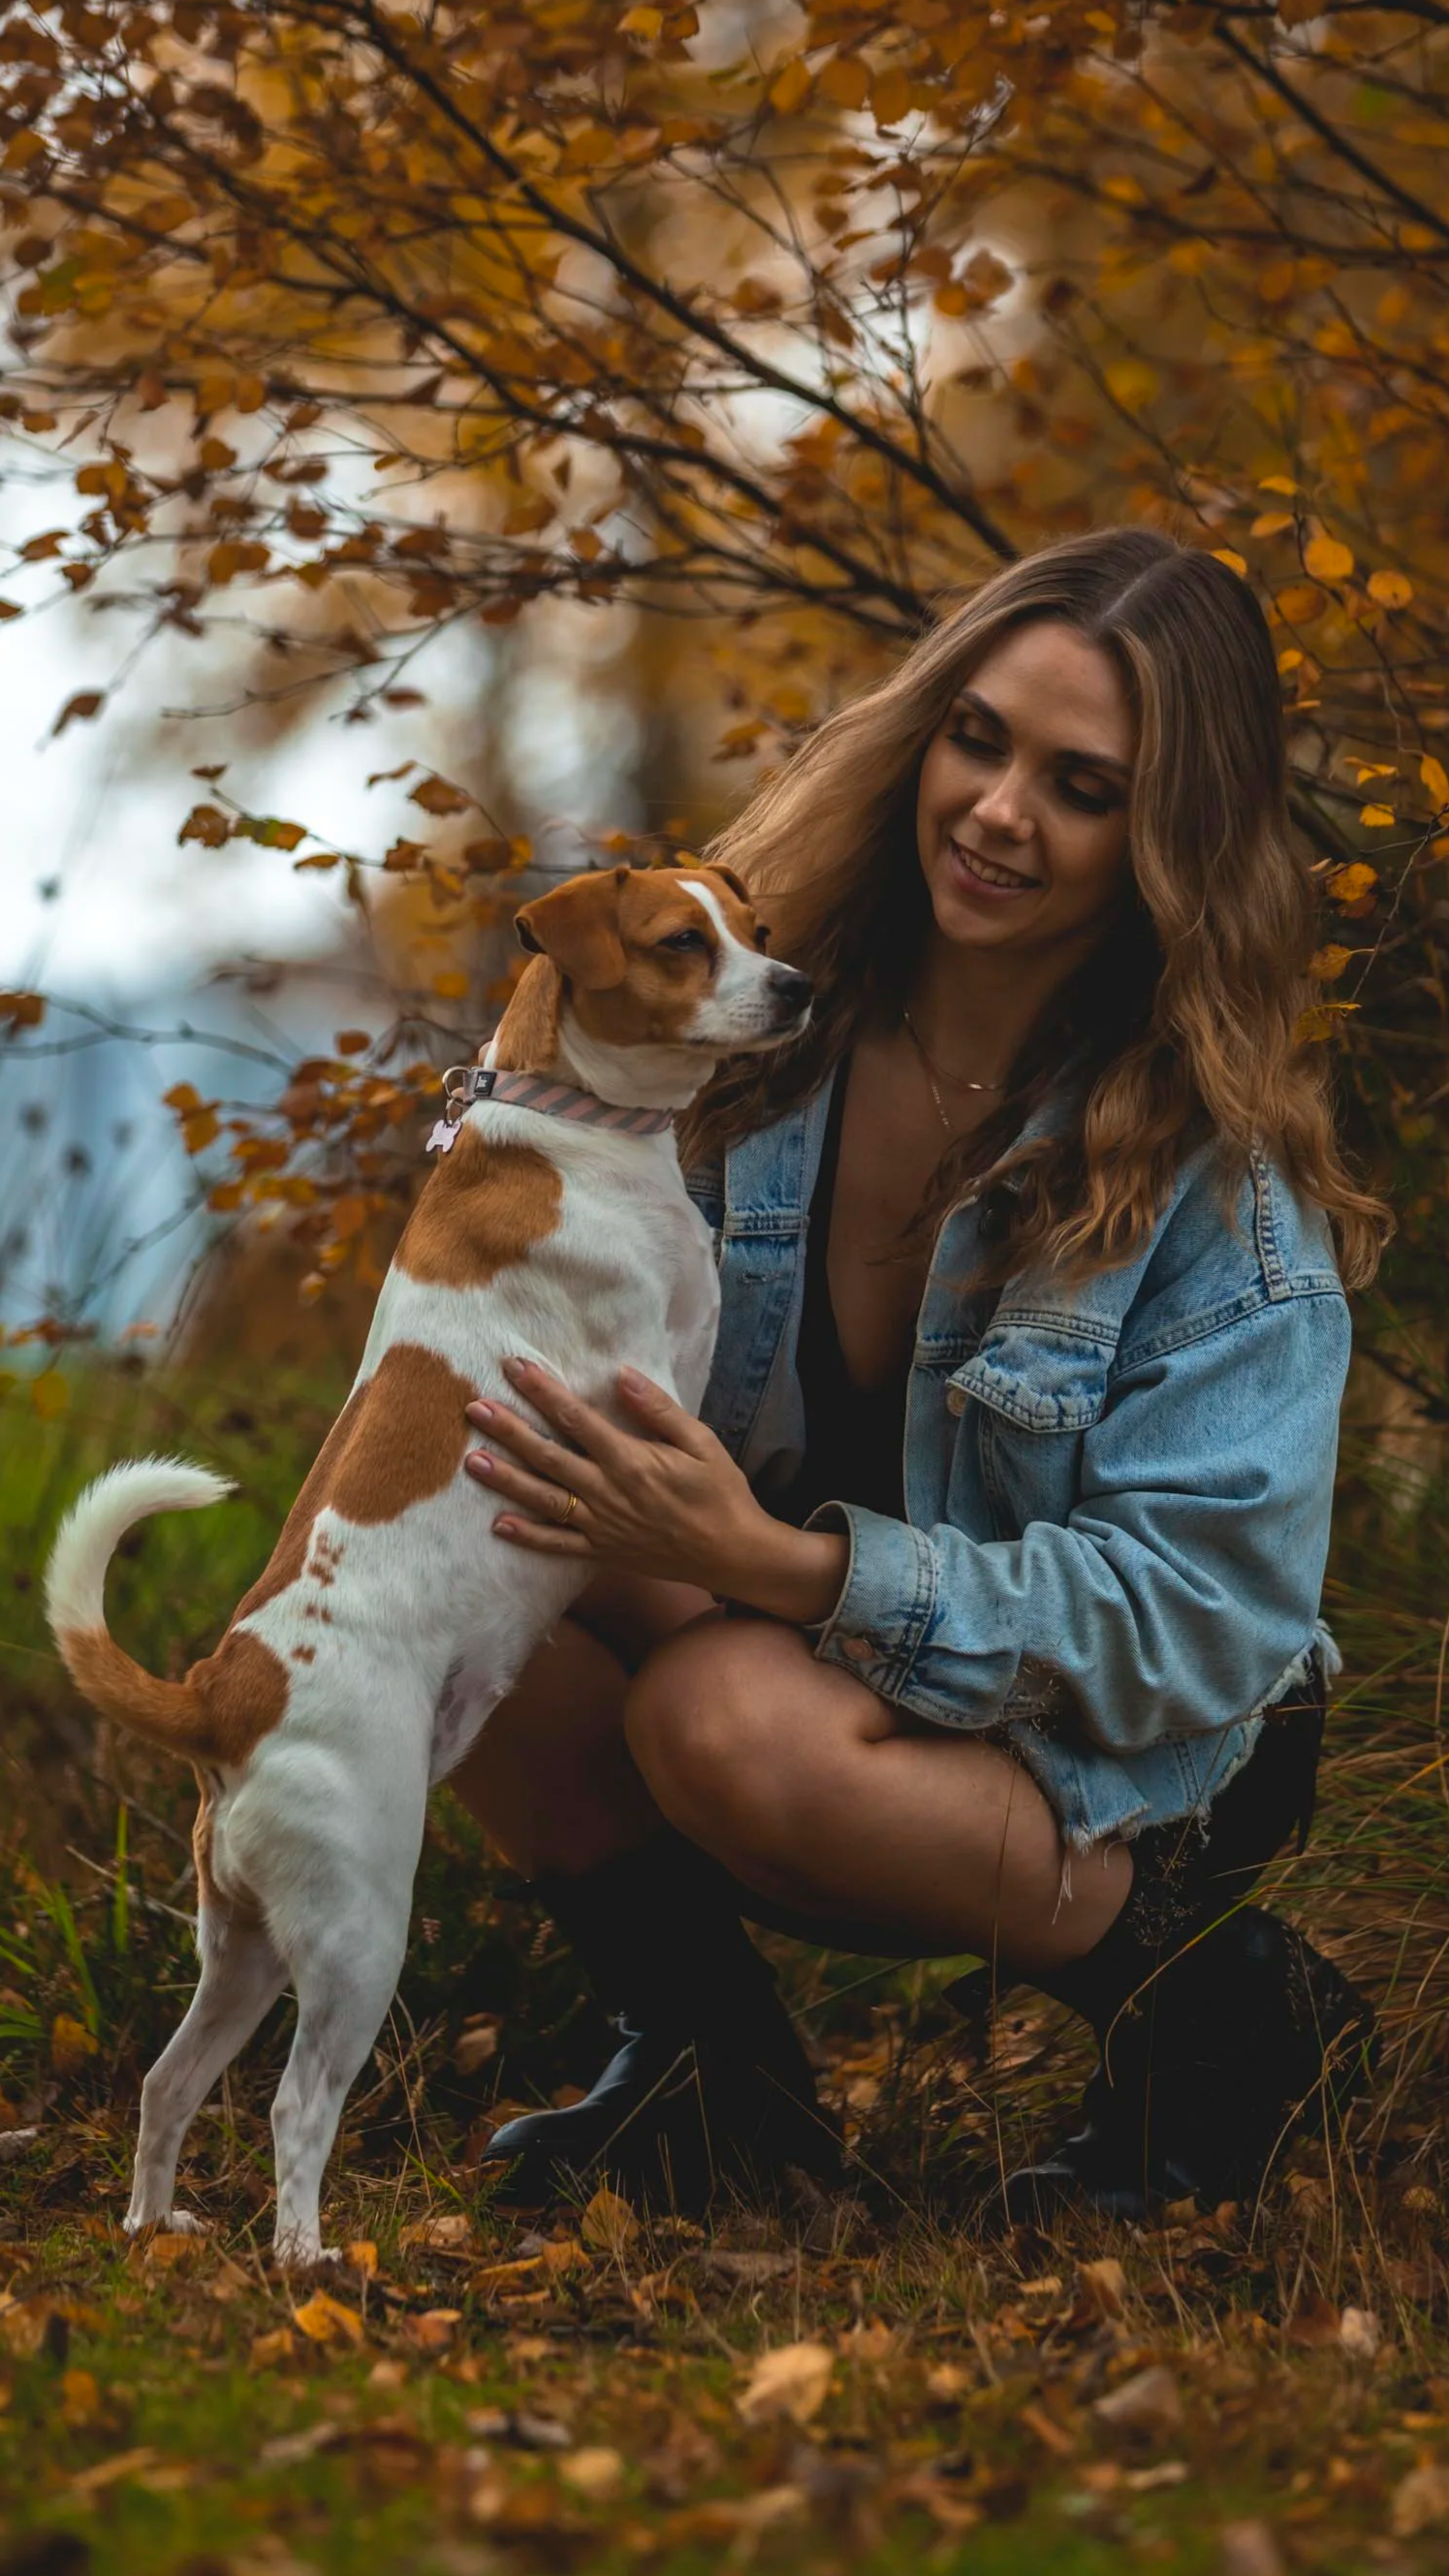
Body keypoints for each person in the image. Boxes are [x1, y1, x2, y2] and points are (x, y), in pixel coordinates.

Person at [448, 526, 1385, 2221]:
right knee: (463, 1533)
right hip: (819, 1665)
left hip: (1137, 1763)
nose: (999, 813)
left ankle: (1226, 2024)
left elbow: (1198, 1628)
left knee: (721, 1717)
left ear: (1165, 838)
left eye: (1082, 787)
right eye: (979, 739)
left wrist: (784, 1569)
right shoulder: (746, 1030)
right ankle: (703, 2071)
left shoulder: (1214, 1186)